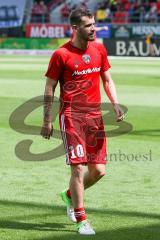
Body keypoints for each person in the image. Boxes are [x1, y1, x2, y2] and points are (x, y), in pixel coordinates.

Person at [41, 8, 125, 235]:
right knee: (77, 169)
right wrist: (47, 120)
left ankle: (68, 195)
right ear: (76, 28)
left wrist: (115, 103)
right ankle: (81, 219)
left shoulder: (99, 49)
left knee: (98, 171)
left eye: (94, 24)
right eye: (89, 25)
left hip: (95, 117)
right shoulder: (61, 55)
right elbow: (50, 86)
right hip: (72, 117)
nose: (94, 29)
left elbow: (107, 79)